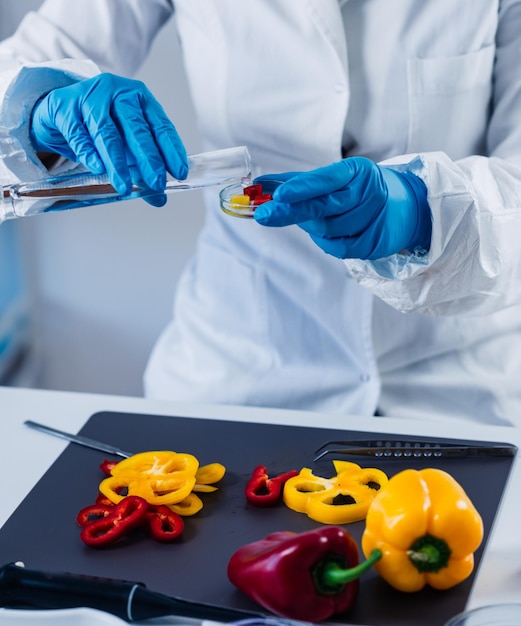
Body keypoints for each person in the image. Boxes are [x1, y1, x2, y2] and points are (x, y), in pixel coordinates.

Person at [0, 1, 520, 426]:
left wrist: (424, 213)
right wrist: (39, 105)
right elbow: (26, 62)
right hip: (244, 376)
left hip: (459, 389)